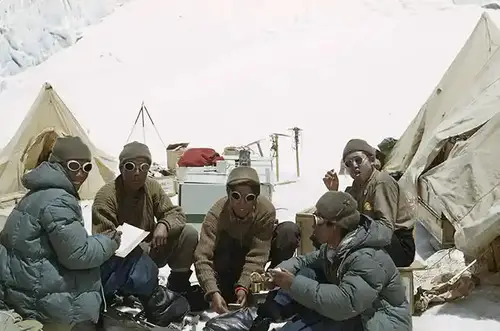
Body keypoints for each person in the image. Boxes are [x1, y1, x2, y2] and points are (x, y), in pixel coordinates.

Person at [0, 136, 121, 330]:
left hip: (24, 291)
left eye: (87, 167)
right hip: (43, 303)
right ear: (58, 164)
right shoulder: (59, 199)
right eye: (74, 165)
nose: (81, 173)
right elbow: (78, 255)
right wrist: (109, 242)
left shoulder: (38, 194)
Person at [250, 191, 412, 331]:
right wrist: (277, 274)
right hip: (356, 315)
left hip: (377, 323)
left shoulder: (366, 258)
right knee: (309, 272)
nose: (313, 228)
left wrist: (292, 284)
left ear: (334, 226)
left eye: (317, 221)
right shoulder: (335, 248)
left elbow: (344, 304)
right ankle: (266, 316)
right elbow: (303, 262)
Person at [92, 142, 199, 303]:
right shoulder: (106, 196)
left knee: (188, 234)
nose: (137, 172)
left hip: (151, 248)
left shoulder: (151, 187)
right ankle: (129, 290)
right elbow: (103, 239)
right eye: (130, 166)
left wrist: (164, 225)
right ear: (121, 168)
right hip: (122, 260)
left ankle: (178, 284)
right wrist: (135, 249)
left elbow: (174, 214)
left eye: (143, 167)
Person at [194, 166, 300, 314]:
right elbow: (202, 257)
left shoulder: (265, 211)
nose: (242, 203)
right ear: (229, 195)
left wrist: (244, 285)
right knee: (227, 295)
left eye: (249, 197)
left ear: (255, 198)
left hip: (253, 255)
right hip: (228, 257)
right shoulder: (216, 215)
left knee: (288, 232)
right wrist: (212, 291)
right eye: (236, 196)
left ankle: (275, 285)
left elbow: (258, 254)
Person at [322, 138, 415, 267]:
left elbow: (385, 229)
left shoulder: (381, 182)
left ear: (371, 160)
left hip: (398, 245)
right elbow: (343, 217)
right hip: (377, 239)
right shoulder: (356, 187)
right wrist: (334, 192)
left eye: (358, 160)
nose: (354, 165)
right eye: (348, 163)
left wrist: (353, 240)